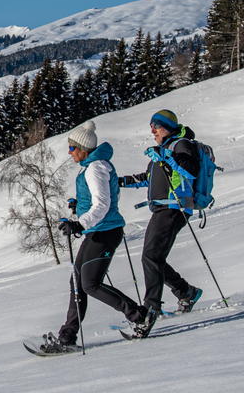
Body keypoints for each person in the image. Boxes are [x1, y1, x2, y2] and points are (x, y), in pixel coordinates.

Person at [47, 120, 145, 352]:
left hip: (105, 232)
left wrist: (80, 224)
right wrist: (79, 205)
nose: (69, 153)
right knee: (77, 281)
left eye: (72, 148)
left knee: (89, 284)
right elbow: (97, 200)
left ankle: (139, 316)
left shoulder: (96, 168)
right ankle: (68, 335)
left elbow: (102, 205)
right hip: (98, 231)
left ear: (83, 149)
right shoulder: (93, 166)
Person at [119, 109, 203, 338]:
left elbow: (190, 170)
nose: (152, 130)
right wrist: (119, 182)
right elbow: (147, 178)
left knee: (151, 257)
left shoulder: (181, 144)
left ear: (168, 127)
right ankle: (186, 291)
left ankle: (151, 307)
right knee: (153, 258)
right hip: (162, 208)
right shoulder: (164, 150)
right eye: (151, 126)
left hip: (175, 207)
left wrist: (165, 157)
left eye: (156, 125)